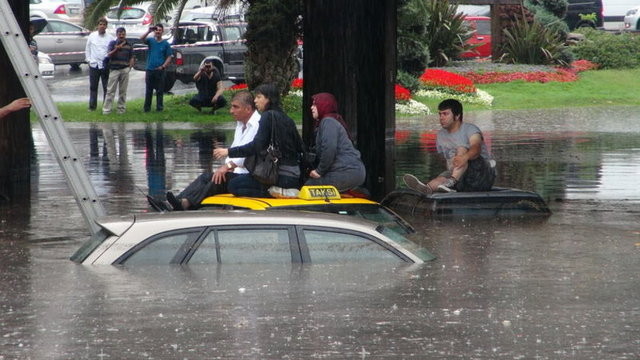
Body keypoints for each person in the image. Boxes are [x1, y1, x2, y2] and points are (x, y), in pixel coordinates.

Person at [165, 91, 261, 210]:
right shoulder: (241, 124)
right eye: (231, 106)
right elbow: (235, 148)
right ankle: (175, 202)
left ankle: (184, 204)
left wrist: (226, 166)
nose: (231, 111)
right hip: (236, 171)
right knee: (206, 176)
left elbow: (250, 151)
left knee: (216, 180)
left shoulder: (258, 125)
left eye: (235, 107)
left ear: (248, 109)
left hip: (247, 175)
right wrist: (227, 166)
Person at [213, 83, 304, 198]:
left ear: (269, 98)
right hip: (293, 176)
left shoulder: (267, 116)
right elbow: (300, 147)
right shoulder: (287, 118)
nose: (255, 101)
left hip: (278, 177)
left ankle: (273, 192)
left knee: (234, 185)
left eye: (259, 97)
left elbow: (256, 146)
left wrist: (229, 152)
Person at [403, 99, 495, 194]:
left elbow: (476, 148)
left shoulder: (471, 129)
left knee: (461, 148)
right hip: (460, 174)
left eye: (445, 114)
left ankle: (451, 182)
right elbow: (447, 160)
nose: (441, 118)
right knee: (440, 179)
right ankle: (427, 188)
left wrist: (464, 157)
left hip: (482, 175)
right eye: (440, 114)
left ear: (457, 116)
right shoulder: (441, 135)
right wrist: (451, 168)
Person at [293, 92, 365, 194]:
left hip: (346, 171)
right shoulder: (330, 121)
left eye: (315, 104)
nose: (311, 108)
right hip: (350, 171)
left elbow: (329, 148)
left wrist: (319, 171)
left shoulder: (328, 122)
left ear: (324, 105)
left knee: (310, 187)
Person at [140, 24, 173, 112]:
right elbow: (141, 39)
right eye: (156, 30)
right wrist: (148, 31)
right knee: (149, 90)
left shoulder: (165, 43)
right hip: (150, 69)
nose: (158, 32)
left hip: (160, 70)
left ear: (162, 31)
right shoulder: (150, 41)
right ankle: (147, 109)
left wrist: (163, 66)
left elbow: (169, 56)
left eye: (160, 30)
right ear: (154, 32)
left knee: (160, 90)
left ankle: (159, 108)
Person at [102, 27, 134, 115]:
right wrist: (116, 49)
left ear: (125, 35)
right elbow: (108, 54)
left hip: (124, 69)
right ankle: (107, 110)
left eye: (123, 34)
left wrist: (129, 68)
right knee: (110, 91)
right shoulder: (112, 43)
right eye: (119, 34)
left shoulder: (129, 45)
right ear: (116, 35)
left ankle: (121, 109)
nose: (121, 36)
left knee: (123, 91)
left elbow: (131, 57)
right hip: (114, 70)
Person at [85, 17, 115, 111]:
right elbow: (88, 49)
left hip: (105, 66)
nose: (102, 26)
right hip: (94, 65)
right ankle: (92, 107)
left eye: (104, 25)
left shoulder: (110, 37)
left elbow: (112, 51)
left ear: (106, 26)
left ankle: (106, 106)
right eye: (100, 24)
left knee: (106, 87)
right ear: (97, 26)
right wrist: (89, 60)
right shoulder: (92, 36)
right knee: (93, 87)